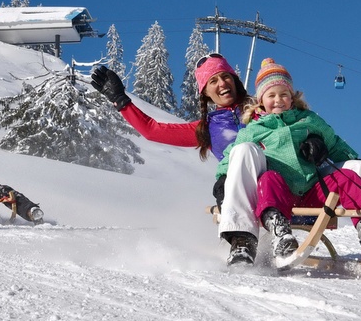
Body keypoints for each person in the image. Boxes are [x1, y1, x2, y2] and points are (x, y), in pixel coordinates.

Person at [218, 59, 361, 269]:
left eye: (284, 94)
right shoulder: (254, 129)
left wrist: (321, 146)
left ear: (292, 98)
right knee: (263, 172)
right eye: (271, 95)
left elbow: (342, 149)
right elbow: (231, 158)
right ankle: (253, 239)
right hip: (274, 195)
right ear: (261, 101)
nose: (279, 100)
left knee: (359, 169)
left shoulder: (310, 121)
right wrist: (222, 180)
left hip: (313, 193)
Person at [92, 54, 266, 264]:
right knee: (230, 173)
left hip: (275, 179)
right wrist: (121, 101)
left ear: (234, 79)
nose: (222, 84)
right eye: (213, 81)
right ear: (206, 94)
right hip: (237, 189)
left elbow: (295, 119)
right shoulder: (207, 128)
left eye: (225, 77)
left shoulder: (263, 109)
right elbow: (153, 131)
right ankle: (242, 243)